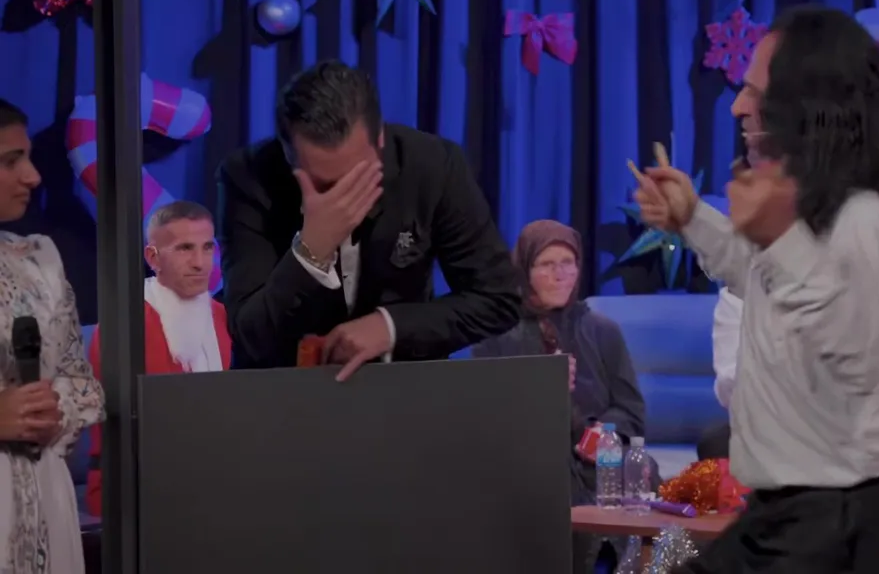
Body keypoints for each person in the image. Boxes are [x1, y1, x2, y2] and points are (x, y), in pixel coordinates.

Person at [632, 5, 879, 572]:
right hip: (793, 513)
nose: (737, 106)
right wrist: (692, 218)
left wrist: (778, 239)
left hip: (842, 520)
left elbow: (853, 363)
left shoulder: (867, 218)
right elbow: (762, 276)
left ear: (807, 108)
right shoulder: (816, 210)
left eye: (756, 93)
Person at [216, 61, 521, 378]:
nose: (342, 198)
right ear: (286, 153)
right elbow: (250, 337)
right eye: (323, 184)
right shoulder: (248, 177)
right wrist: (310, 252)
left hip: (401, 386)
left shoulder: (433, 166)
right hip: (285, 388)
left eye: (357, 176)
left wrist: (390, 327)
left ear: (380, 140)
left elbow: (498, 299)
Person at [471, 220, 651, 574]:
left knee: (641, 475)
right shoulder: (496, 334)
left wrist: (602, 435)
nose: (559, 275)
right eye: (546, 265)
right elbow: (482, 415)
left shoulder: (603, 331)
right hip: (530, 461)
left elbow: (631, 409)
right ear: (525, 270)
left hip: (599, 460)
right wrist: (541, 388)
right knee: (552, 487)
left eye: (568, 263)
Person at [0, 98, 105, 573]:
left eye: (27, 157)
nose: (33, 176)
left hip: (46, 492)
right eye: (11, 161)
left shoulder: (38, 259)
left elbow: (78, 380)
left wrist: (53, 409)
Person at [84, 201, 231, 516]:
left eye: (207, 247)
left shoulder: (219, 314)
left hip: (205, 476)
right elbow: (140, 428)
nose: (200, 263)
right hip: (131, 486)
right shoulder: (125, 323)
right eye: (185, 249)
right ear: (153, 258)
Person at [694, 287, 739, 461]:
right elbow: (729, 387)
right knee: (715, 444)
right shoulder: (737, 297)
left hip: (815, 421)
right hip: (761, 423)